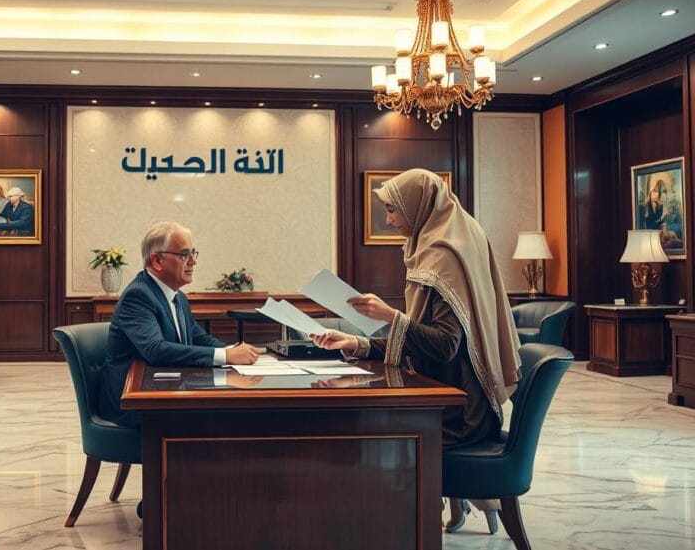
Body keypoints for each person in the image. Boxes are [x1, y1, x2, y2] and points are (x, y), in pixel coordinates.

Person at [309, 168, 521, 535]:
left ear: (418, 206)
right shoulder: (448, 236)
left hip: (461, 412)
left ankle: (397, 528)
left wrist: (391, 316)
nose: (389, 220)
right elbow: (424, 340)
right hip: (458, 399)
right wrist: (355, 343)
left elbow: (444, 345)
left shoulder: (442, 254)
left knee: (373, 434)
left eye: (393, 210)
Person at [98, 221, 261, 429]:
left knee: (234, 410)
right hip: (133, 403)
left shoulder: (178, 296)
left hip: (164, 389)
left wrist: (233, 351)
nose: (193, 261)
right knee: (225, 418)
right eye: (184, 254)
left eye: (194, 253)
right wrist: (226, 357)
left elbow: (197, 336)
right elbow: (155, 349)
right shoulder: (138, 295)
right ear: (157, 260)